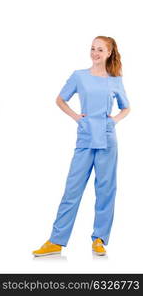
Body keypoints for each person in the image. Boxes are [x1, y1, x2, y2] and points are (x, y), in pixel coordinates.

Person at [33, 36, 130, 257]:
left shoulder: (115, 79)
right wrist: (77, 117)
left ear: (109, 53)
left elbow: (126, 108)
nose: (95, 53)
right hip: (85, 137)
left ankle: (99, 239)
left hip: (107, 138)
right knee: (72, 189)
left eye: (100, 50)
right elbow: (60, 99)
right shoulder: (79, 76)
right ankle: (56, 240)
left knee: (106, 190)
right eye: (93, 49)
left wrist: (113, 120)